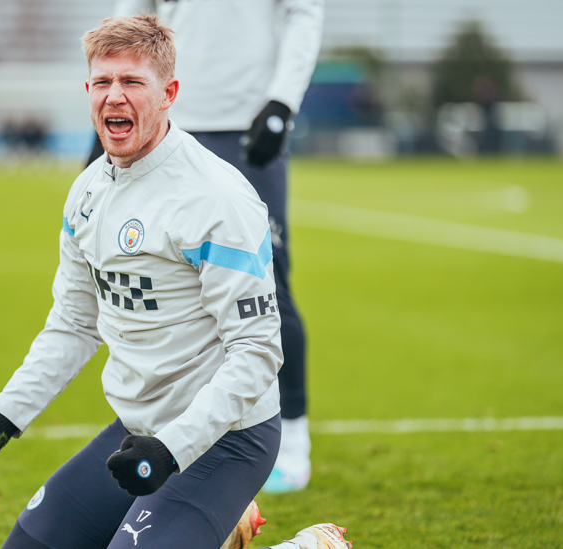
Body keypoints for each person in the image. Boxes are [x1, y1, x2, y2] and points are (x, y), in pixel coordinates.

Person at [0, 14, 346, 549]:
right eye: (103, 82)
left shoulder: (218, 199)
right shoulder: (86, 192)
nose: (115, 96)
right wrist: (5, 413)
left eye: (132, 82)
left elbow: (257, 352)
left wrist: (173, 449)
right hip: (141, 432)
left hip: (229, 438)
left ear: (169, 93)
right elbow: (73, 323)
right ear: (87, 91)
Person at [89, 0, 325, 493]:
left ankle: (293, 442)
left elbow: (304, 13)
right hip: (168, 117)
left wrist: (282, 100)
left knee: (266, 284)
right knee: (153, 280)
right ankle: (180, 431)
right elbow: (130, 17)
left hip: (249, 122)